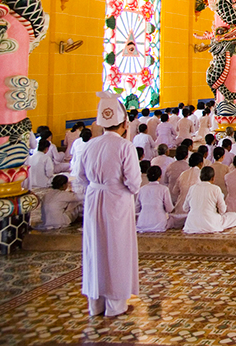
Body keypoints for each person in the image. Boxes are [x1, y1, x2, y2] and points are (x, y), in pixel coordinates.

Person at [78, 91, 142, 317]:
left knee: (95, 247)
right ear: (125, 123)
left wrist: (98, 186)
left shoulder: (89, 145)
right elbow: (134, 183)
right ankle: (116, 305)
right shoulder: (125, 147)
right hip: (117, 201)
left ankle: (95, 303)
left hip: (94, 198)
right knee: (116, 248)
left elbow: (80, 177)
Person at [183, 166, 236, 233]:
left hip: (192, 224)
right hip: (210, 224)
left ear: (200, 177)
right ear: (213, 178)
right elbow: (223, 210)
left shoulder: (192, 188)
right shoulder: (215, 189)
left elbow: (185, 208)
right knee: (233, 216)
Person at [136, 165, 182, 232]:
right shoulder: (164, 189)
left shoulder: (142, 189)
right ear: (160, 176)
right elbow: (169, 209)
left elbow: (137, 208)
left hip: (143, 223)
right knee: (173, 220)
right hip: (159, 224)